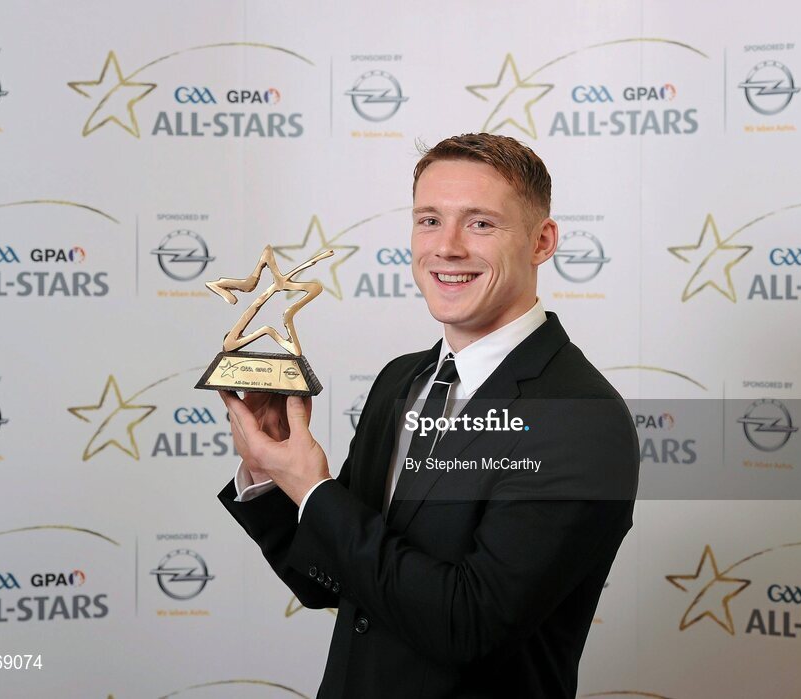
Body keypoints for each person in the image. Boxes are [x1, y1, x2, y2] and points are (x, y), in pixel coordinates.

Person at [218, 133, 639, 699]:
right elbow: (333, 579)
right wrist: (270, 469)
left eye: (481, 223)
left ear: (542, 241)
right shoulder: (400, 380)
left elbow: (468, 626)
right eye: (429, 220)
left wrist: (315, 491)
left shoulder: (580, 417)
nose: (448, 247)